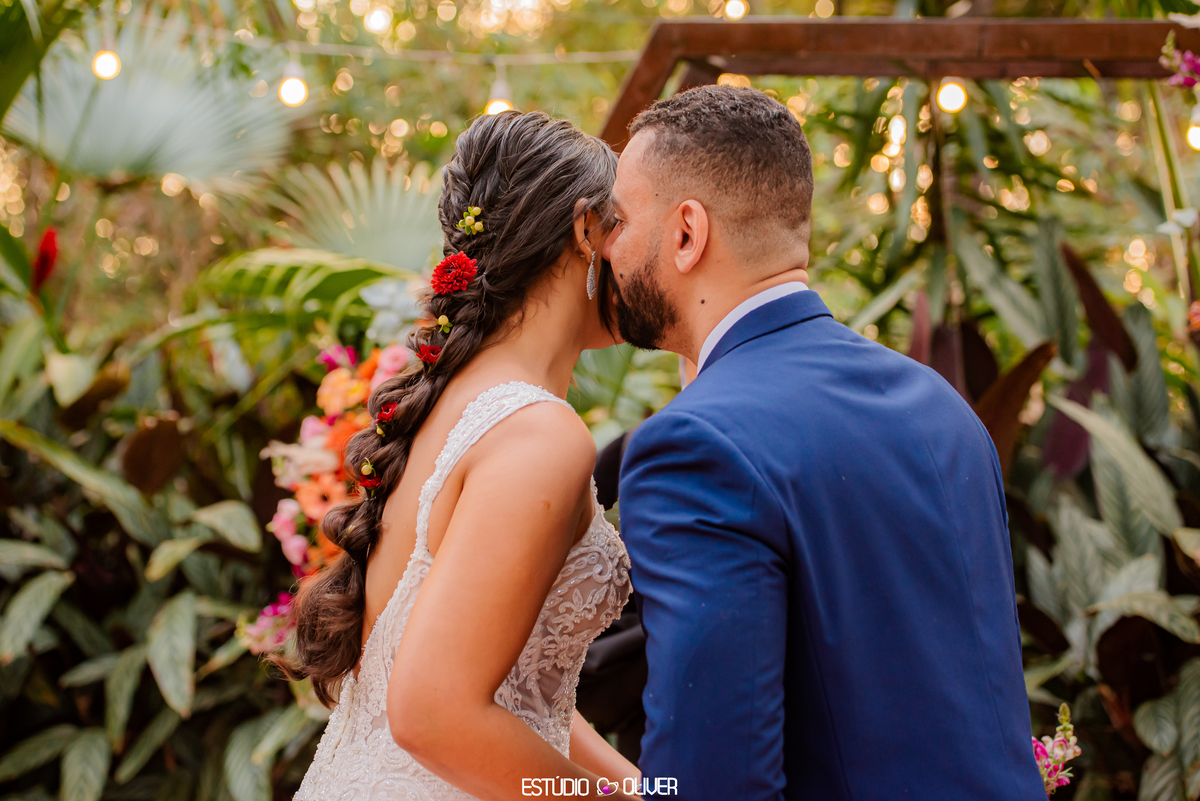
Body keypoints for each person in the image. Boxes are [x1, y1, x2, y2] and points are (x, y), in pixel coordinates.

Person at [604, 84, 1047, 800]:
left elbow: (711, 781)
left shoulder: (694, 446)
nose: (606, 246)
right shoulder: (942, 407)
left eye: (619, 220)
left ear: (687, 233)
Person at [283, 110, 641, 801]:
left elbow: (516, 689)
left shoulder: (444, 405)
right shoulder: (538, 434)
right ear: (584, 230)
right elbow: (434, 714)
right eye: (621, 224)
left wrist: (639, 789)